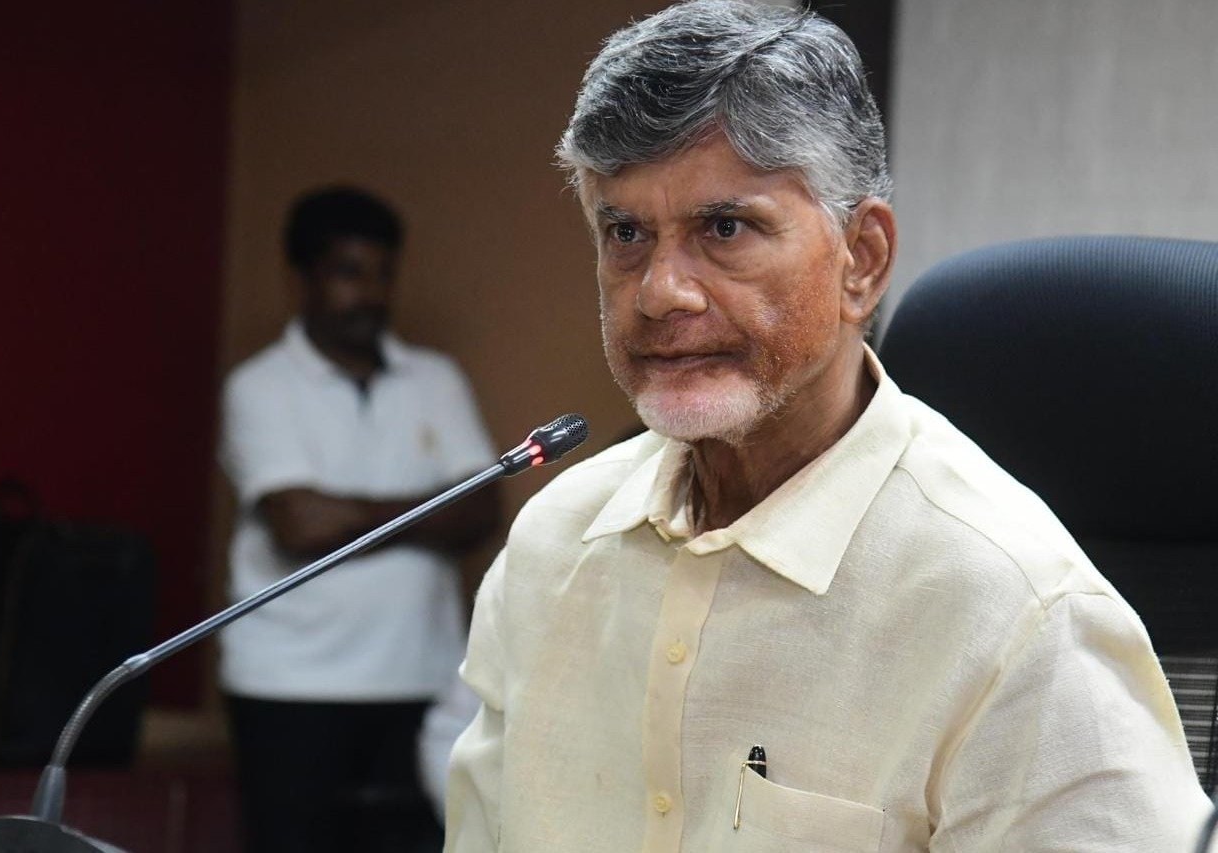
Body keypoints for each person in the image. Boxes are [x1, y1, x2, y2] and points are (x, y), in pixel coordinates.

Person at [444, 2, 1211, 851]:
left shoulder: (1012, 610)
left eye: (723, 227)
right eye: (624, 232)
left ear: (864, 258)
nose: (660, 290)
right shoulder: (553, 543)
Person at [219, 186, 500, 852]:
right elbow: (299, 527)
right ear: (302, 278)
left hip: (424, 680)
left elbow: (483, 510)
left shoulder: (436, 378)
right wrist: (430, 502)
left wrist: (350, 510)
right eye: (349, 272)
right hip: (288, 685)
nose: (371, 293)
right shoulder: (258, 386)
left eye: (382, 273)